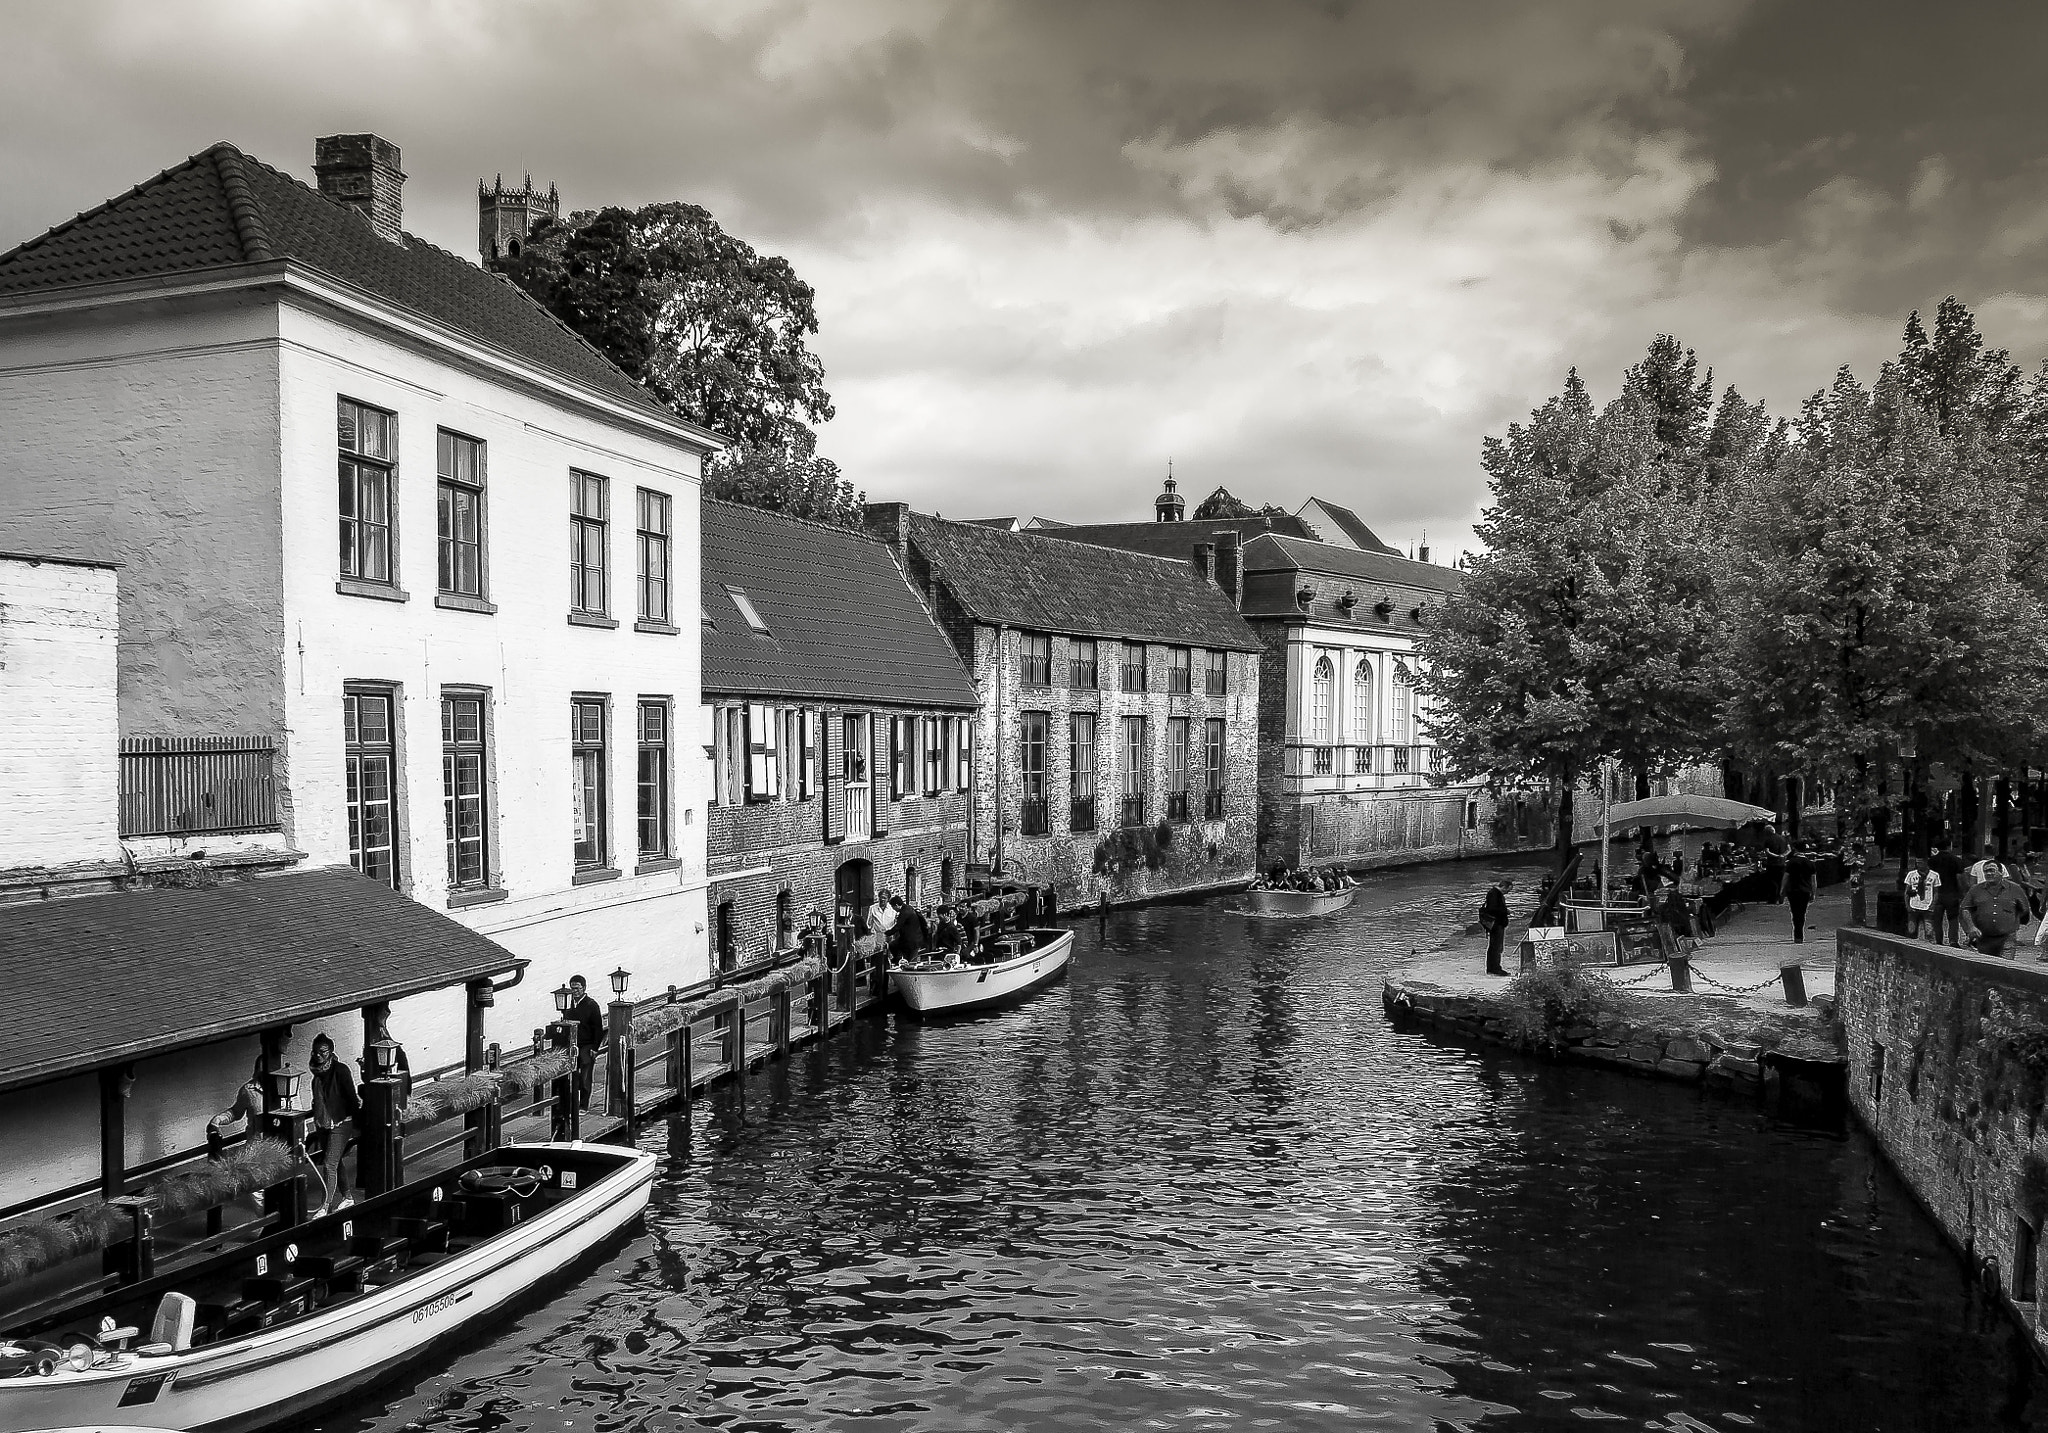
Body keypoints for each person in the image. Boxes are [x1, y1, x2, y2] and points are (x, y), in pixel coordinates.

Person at [307, 1034, 359, 1215]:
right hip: (322, 1123)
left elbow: (351, 1097)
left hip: (341, 1122)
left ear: (330, 1052)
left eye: (322, 1052)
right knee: (336, 1163)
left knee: (329, 1164)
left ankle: (324, 1206)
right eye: (315, 1052)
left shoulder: (341, 1070)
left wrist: (358, 1124)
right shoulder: (316, 1076)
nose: (318, 1056)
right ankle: (347, 1197)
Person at [1961, 862, 2032, 959]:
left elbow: (2024, 910)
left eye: (1991, 870)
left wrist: (2009, 919)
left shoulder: (2015, 889)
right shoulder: (1976, 889)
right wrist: (1971, 927)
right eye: (1985, 871)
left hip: (2007, 937)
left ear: (2001, 872)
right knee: (1986, 966)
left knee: (2006, 967)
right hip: (1983, 938)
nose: (1988, 874)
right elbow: (1965, 909)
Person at [565, 975, 605, 1111]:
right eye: (572, 989)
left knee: (585, 1076)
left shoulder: (591, 1005)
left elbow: (598, 1028)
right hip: (573, 1044)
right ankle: (572, 1104)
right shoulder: (568, 1005)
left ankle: (583, 1105)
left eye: (577, 988)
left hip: (587, 1044)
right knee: (572, 1075)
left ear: (584, 988)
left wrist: (595, 1047)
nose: (574, 991)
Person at [1930, 842, 1968, 947]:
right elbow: (1960, 877)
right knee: (1953, 918)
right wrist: (1963, 892)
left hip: (1937, 892)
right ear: (1949, 846)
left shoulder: (1932, 861)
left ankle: (1938, 940)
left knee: (1937, 919)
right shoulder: (1956, 860)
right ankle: (1953, 940)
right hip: (1952, 892)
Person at [1782, 844, 1818, 943]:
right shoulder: (1810, 863)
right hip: (1805, 891)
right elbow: (1813, 881)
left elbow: (1786, 877)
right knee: (1802, 912)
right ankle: (1800, 934)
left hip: (1792, 890)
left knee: (1794, 912)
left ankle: (1797, 933)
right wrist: (1813, 893)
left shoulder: (1791, 862)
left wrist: (1782, 890)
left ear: (1795, 849)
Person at [1904, 855, 1941, 942]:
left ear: (1925, 863)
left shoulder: (1934, 875)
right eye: (1917, 863)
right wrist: (1907, 905)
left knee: (1929, 931)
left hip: (1927, 905)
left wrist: (1933, 904)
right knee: (1911, 930)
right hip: (1914, 905)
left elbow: (1936, 892)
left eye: (1920, 862)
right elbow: (1906, 891)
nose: (1918, 865)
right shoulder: (1911, 874)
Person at [1480, 881, 1510, 976]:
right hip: (1496, 924)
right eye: (1508, 890)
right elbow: (1493, 909)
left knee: (1494, 946)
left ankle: (1492, 968)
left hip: (1496, 924)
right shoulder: (1494, 894)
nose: (1507, 893)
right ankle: (1495, 968)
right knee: (1496, 947)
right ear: (1504, 887)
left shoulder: (1494, 893)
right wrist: (1505, 911)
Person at [891, 895, 930, 961]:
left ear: (896, 905)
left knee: (912, 960)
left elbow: (898, 926)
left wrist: (888, 933)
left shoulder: (906, 912)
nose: (893, 909)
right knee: (894, 946)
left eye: (893, 907)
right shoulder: (908, 909)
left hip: (913, 941)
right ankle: (898, 960)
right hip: (908, 941)